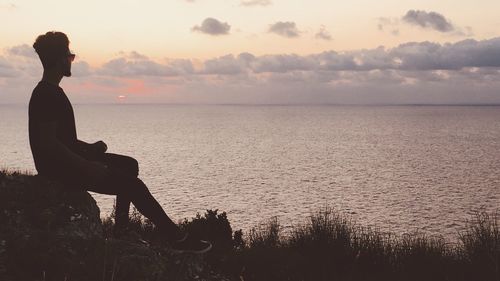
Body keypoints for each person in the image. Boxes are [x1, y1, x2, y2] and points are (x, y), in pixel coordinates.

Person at [28, 31, 211, 254]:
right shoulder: (46, 94)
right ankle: (176, 237)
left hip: (68, 159)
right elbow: (48, 144)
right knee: (132, 185)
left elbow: (61, 140)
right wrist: (87, 165)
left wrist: (89, 148)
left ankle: (122, 231)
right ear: (58, 60)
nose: (71, 60)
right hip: (60, 169)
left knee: (129, 165)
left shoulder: (51, 92)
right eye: (70, 56)